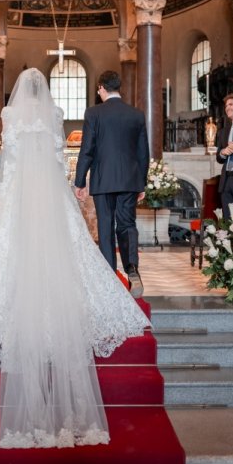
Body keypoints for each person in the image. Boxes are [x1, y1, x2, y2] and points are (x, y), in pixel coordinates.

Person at [0, 68, 149, 449]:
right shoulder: (54, 114)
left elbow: (8, 162)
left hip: (20, 194)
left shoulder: (9, 115)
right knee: (72, 247)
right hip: (51, 193)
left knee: (10, 250)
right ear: (46, 89)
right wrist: (68, 189)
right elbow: (58, 159)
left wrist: (3, 198)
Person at [74, 70, 149, 298]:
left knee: (105, 227)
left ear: (101, 88)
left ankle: (109, 278)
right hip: (129, 179)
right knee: (127, 224)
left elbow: (87, 149)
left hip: (103, 179)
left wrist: (80, 181)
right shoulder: (136, 114)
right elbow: (143, 153)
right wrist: (141, 184)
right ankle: (132, 270)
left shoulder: (94, 113)